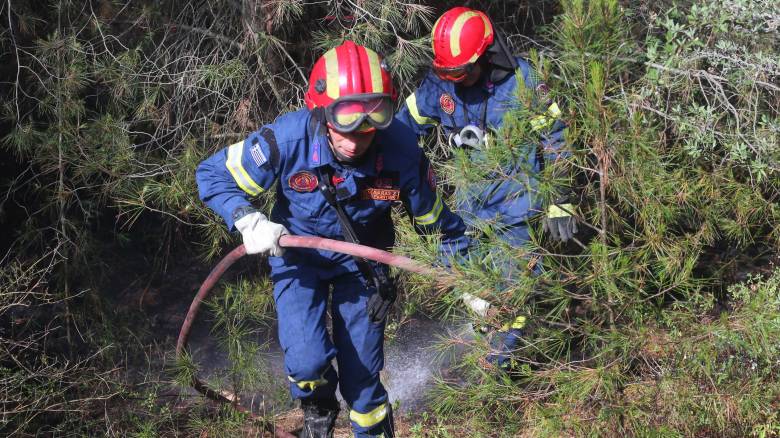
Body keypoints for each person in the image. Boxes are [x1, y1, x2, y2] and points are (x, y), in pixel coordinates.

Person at [196, 41, 470, 438]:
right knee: (306, 363)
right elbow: (213, 174)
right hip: (297, 258)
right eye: (346, 118)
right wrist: (248, 219)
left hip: (363, 265)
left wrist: (467, 280)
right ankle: (318, 409)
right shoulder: (288, 139)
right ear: (322, 111)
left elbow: (435, 222)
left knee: (361, 382)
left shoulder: (400, 151)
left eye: (373, 116)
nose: (358, 136)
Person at [396, 7, 577, 369]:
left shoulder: (523, 81)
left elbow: (555, 138)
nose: (454, 79)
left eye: (460, 71)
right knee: (473, 293)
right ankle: (478, 363)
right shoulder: (440, 85)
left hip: (516, 211)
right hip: (465, 214)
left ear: (484, 56)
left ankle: (497, 375)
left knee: (514, 298)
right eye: (446, 71)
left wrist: (561, 199)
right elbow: (403, 129)